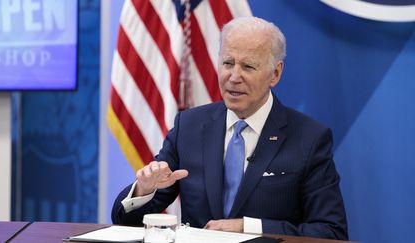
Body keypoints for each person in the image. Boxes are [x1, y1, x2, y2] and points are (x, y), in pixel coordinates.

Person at [112, 16, 348, 240]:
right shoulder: (189, 127)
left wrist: (248, 227)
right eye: (227, 63)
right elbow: (127, 222)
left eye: (248, 67)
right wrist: (143, 191)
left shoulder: (309, 138)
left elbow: (331, 232)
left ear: (275, 74)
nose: (234, 77)